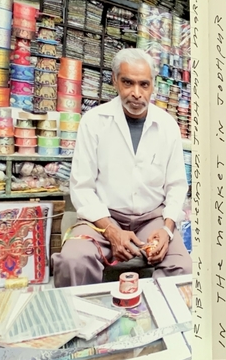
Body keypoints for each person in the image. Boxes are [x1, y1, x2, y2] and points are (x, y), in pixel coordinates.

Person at [53, 48, 192, 287]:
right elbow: (82, 188)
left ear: (153, 85)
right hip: (102, 219)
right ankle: (83, 321)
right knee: (73, 261)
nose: (136, 93)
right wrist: (111, 231)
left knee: (183, 268)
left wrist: (167, 230)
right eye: (128, 83)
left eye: (144, 85)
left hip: (152, 220)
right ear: (115, 80)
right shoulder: (94, 121)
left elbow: (177, 186)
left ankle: (154, 321)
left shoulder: (167, 125)